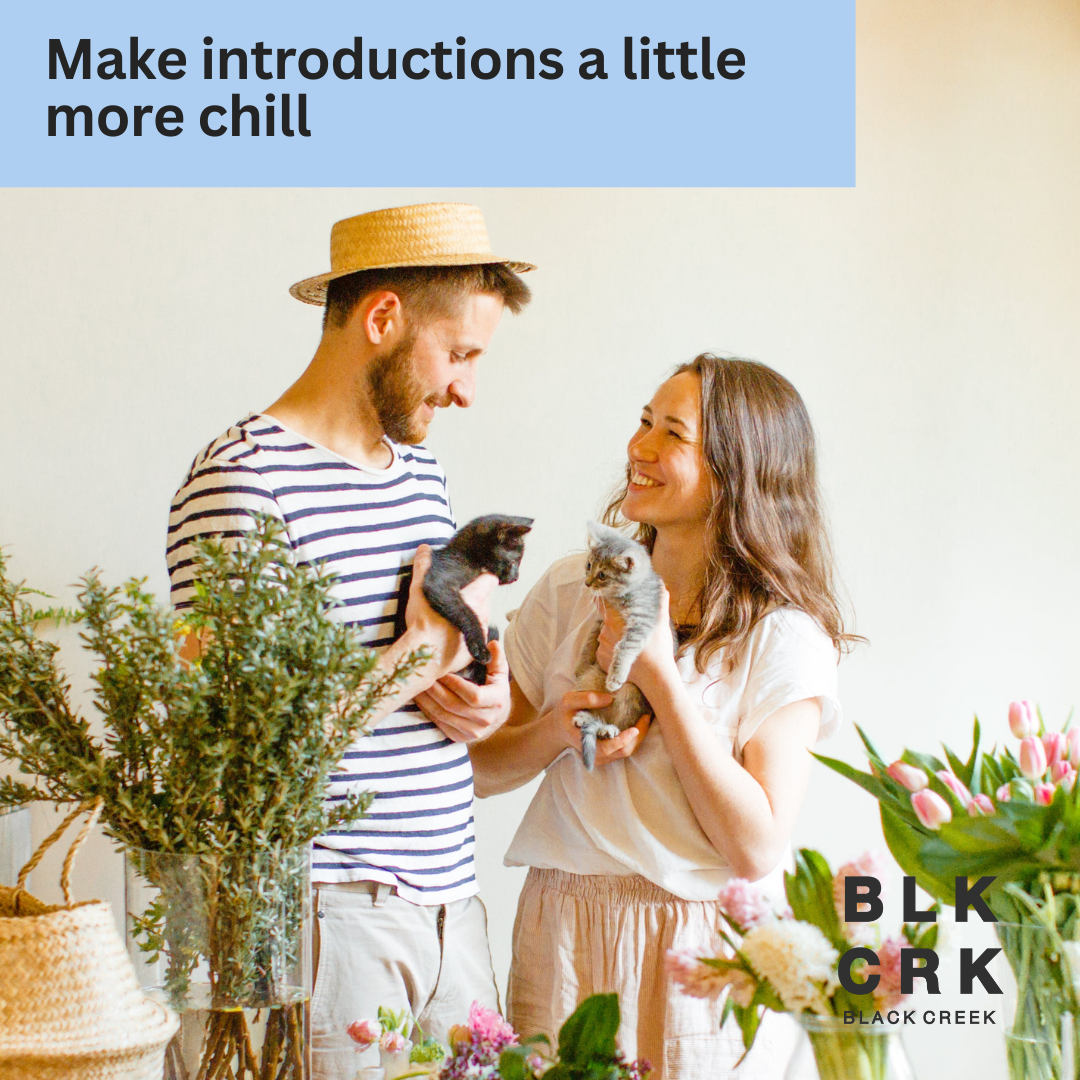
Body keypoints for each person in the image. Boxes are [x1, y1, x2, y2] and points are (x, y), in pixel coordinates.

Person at [165, 202, 532, 1067]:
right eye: (459, 353)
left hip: (453, 909)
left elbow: (445, 657)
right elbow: (225, 755)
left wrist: (486, 696)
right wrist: (410, 662)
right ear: (382, 319)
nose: (466, 389)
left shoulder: (422, 475)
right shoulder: (241, 480)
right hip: (325, 917)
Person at [429, 354, 853, 1079]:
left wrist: (657, 671)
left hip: (703, 955)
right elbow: (474, 766)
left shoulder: (783, 638)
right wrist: (557, 730)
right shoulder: (571, 588)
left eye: (673, 435)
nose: (640, 448)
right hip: (561, 929)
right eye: (643, 422)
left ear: (736, 467)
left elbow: (755, 847)